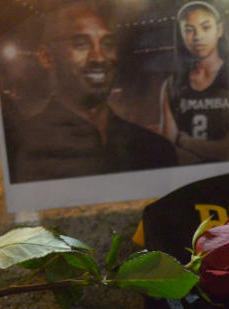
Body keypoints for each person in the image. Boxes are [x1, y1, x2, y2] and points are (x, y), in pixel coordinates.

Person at [11, 0, 177, 183]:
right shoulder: (21, 148)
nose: (99, 57)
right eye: (81, 44)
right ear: (46, 57)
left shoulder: (156, 150)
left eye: (107, 44)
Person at [158, 0, 229, 164]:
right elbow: (166, 153)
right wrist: (219, 149)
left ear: (219, 30)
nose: (198, 37)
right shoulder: (171, 85)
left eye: (205, 27)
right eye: (189, 30)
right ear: (182, 35)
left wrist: (188, 143)